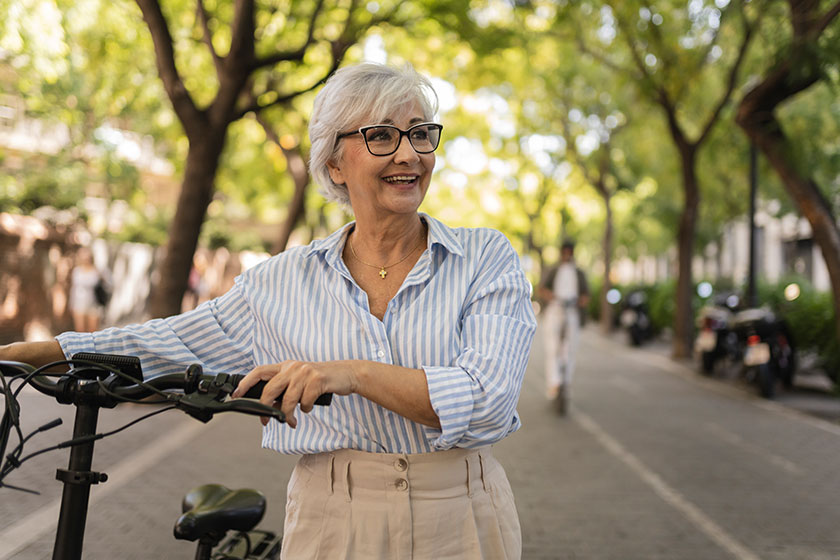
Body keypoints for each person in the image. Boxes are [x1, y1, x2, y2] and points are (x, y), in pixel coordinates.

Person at [1, 63, 536, 559]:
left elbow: (487, 399)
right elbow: (164, 343)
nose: (409, 154)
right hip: (334, 518)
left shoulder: (485, 258)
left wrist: (350, 374)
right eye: (381, 136)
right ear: (334, 163)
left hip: (463, 517)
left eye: (420, 133)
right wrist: (25, 353)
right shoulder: (279, 282)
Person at [538, 240, 589, 413]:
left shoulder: (578, 272)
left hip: (572, 312)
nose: (567, 255)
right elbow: (542, 289)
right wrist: (553, 297)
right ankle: (553, 384)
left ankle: (566, 383)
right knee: (553, 349)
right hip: (555, 311)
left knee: (569, 351)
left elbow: (585, 295)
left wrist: (579, 302)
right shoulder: (553, 270)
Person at [68, 246, 105, 332]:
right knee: (80, 331)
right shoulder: (76, 271)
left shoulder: (97, 271)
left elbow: (105, 286)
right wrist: (71, 303)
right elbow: (74, 289)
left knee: (93, 331)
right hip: (79, 304)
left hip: (94, 304)